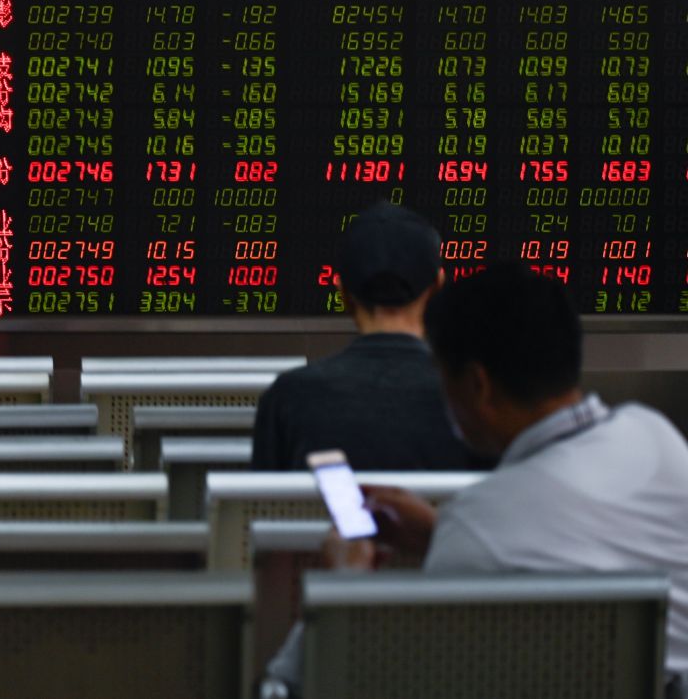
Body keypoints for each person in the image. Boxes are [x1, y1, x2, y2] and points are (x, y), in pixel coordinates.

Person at [270, 263, 688, 696]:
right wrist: (441, 533)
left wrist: (343, 588)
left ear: (477, 385)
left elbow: (371, 682)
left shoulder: (480, 527)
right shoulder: (657, 436)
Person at [251, 202, 483, 471]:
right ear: (436, 288)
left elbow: (261, 507)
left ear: (343, 294)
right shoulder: (474, 398)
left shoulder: (288, 397)